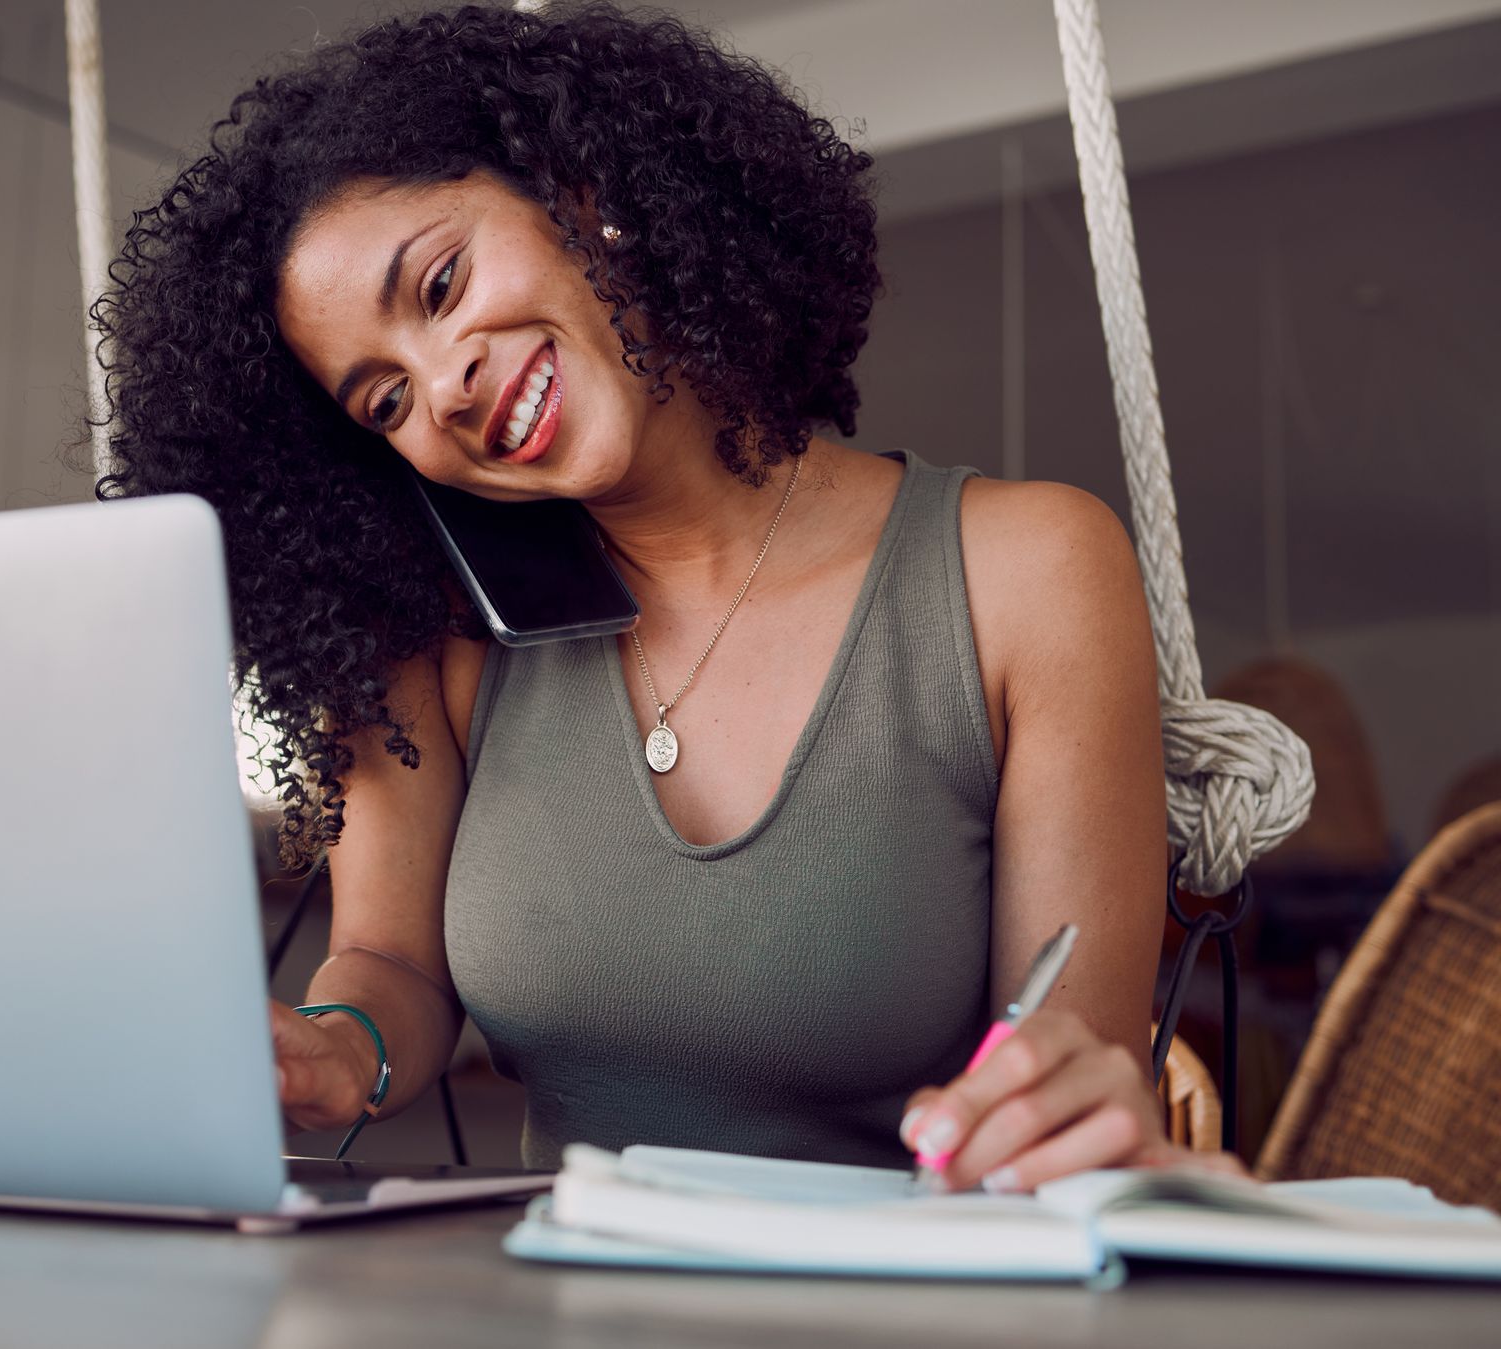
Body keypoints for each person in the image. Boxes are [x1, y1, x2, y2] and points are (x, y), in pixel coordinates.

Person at [95, 3, 1226, 1190]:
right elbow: (392, 961)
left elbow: (1071, 1058)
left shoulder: (1030, 570)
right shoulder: (436, 640)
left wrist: (1064, 1093)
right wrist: (339, 1049)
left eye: (441, 282)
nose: (445, 384)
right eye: (382, 401)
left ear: (581, 187)